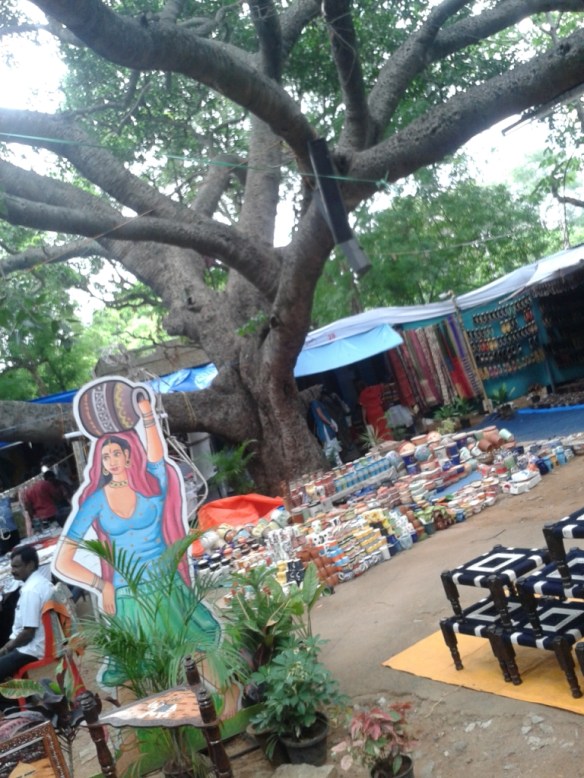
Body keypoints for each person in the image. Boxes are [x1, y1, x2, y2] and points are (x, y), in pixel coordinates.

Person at [52, 394, 221, 686]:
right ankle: (165, 730)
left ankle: (213, 719)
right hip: (128, 597)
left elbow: (157, 457)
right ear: (102, 464)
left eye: (117, 453)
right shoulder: (94, 502)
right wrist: (102, 585)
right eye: (106, 456)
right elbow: (62, 561)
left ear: (129, 456)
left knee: (195, 658)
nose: (113, 460)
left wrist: (147, 415)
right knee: (148, 674)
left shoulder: (153, 486)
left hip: (166, 588)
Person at [0, 545, 54, 688]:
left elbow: (28, 634)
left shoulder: (31, 591)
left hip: (34, 649)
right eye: (12, 567)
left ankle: (14, 707)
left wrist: (6, 648)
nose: (12, 571)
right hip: (44, 643)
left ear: (30, 565)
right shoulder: (42, 582)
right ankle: (26, 700)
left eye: (17, 567)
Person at [310, 398, 342, 465]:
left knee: (334, 445)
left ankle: (339, 464)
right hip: (325, 427)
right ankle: (331, 465)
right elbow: (320, 415)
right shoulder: (315, 402)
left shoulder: (319, 402)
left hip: (328, 427)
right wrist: (330, 424)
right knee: (329, 447)